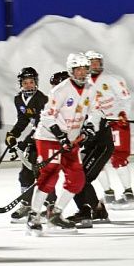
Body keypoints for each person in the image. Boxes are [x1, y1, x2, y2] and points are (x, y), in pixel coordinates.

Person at [25, 53, 102, 236]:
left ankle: (56, 214)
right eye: (78, 69)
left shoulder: (91, 89)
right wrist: (60, 136)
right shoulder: (60, 90)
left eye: (85, 69)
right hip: (49, 136)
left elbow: (96, 111)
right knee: (50, 174)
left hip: (72, 138)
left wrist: (90, 126)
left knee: (77, 179)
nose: (82, 73)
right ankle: (33, 217)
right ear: (71, 70)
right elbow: (47, 116)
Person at [85, 50, 134, 210]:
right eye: (91, 62)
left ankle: (129, 195)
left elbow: (125, 98)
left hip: (116, 123)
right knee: (96, 159)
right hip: (96, 126)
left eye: (97, 62)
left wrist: (123, 114)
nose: (95, 65)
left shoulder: (112, 79)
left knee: (119, 157)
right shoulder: (83, 84)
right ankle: (108, 194)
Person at [2, 67, 49, 223]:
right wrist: (13, 134)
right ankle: (26, 204)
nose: (28, 85)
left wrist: (25, 142)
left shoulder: (42, 99)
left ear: (36, 83)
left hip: (47, 136)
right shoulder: (19, 99)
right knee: (25, 172)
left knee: (42, 172)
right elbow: (23, 120)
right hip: (36, 135)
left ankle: (50, 207)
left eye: (31, 82)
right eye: (25, 82)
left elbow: (43, 124)